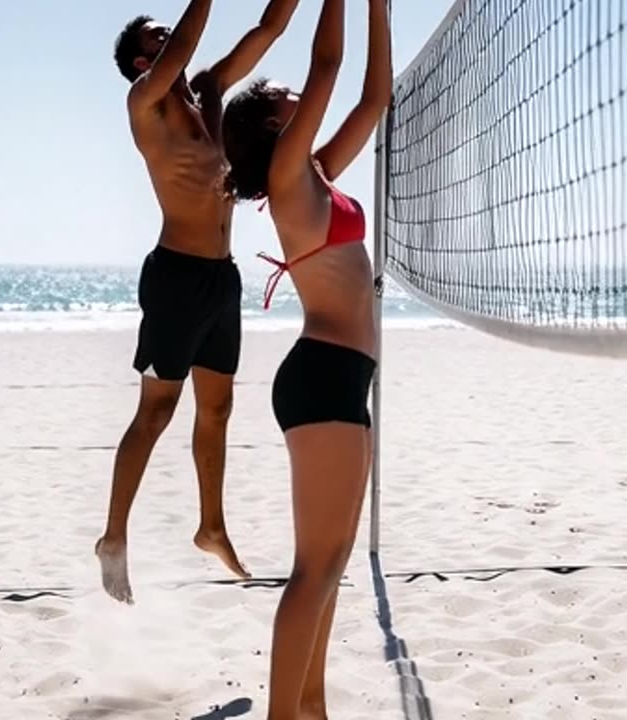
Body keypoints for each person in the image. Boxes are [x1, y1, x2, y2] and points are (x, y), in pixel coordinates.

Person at [97, 0, 301, 605]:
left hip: (221, 279)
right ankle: (112, 538)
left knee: (217, 412)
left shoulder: (209, 94)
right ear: (143, 60)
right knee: (156, 413)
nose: (175, 43)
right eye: (160, 39)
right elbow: (184, 46)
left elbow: (267, 30)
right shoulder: (145, 102)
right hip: (176, 279)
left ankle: (210, 526)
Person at [221, 0, 390, 715]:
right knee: (314, 570)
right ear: (272, 124)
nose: (301, 91)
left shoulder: (314, 171)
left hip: (344, 378)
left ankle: (310, 707)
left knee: (334, 562)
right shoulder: (291, 172)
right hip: (322, 376)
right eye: (286, 97)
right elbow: (330, 65)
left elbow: (373, 96)